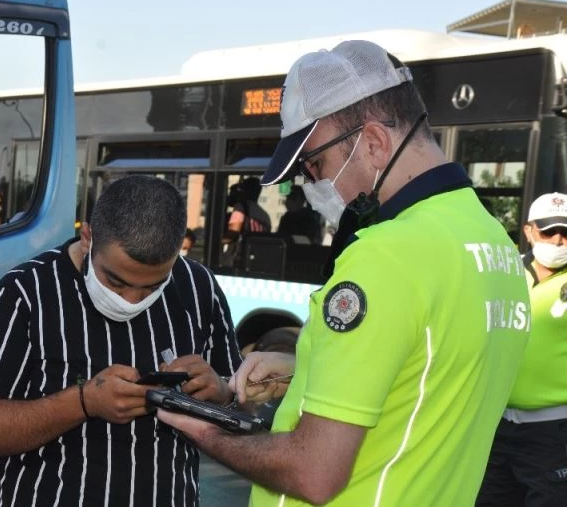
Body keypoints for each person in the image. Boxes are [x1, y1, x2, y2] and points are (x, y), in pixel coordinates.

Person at [157, 40, 530, 506]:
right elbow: (429, 379)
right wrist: (307, 371)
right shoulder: (494, 242)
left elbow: (314, 473)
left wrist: (207, 433)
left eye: (316, 164)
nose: (313, 185)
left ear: (373, 142)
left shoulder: (385, 255)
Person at [0, 175, 241, 506]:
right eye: (117, 282)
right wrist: (83, 402)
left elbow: (241, 410)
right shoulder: (26, 293)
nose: (133, 300)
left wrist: (221, 395)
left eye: (153, 287)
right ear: (88, 236)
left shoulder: (198, 288)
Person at [477, 192, 567, 506]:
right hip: (496, 427)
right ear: (528, 231)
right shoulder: (505, 272)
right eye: (548, 230)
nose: (557, 240)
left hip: (554, 434)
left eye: (566, 233)